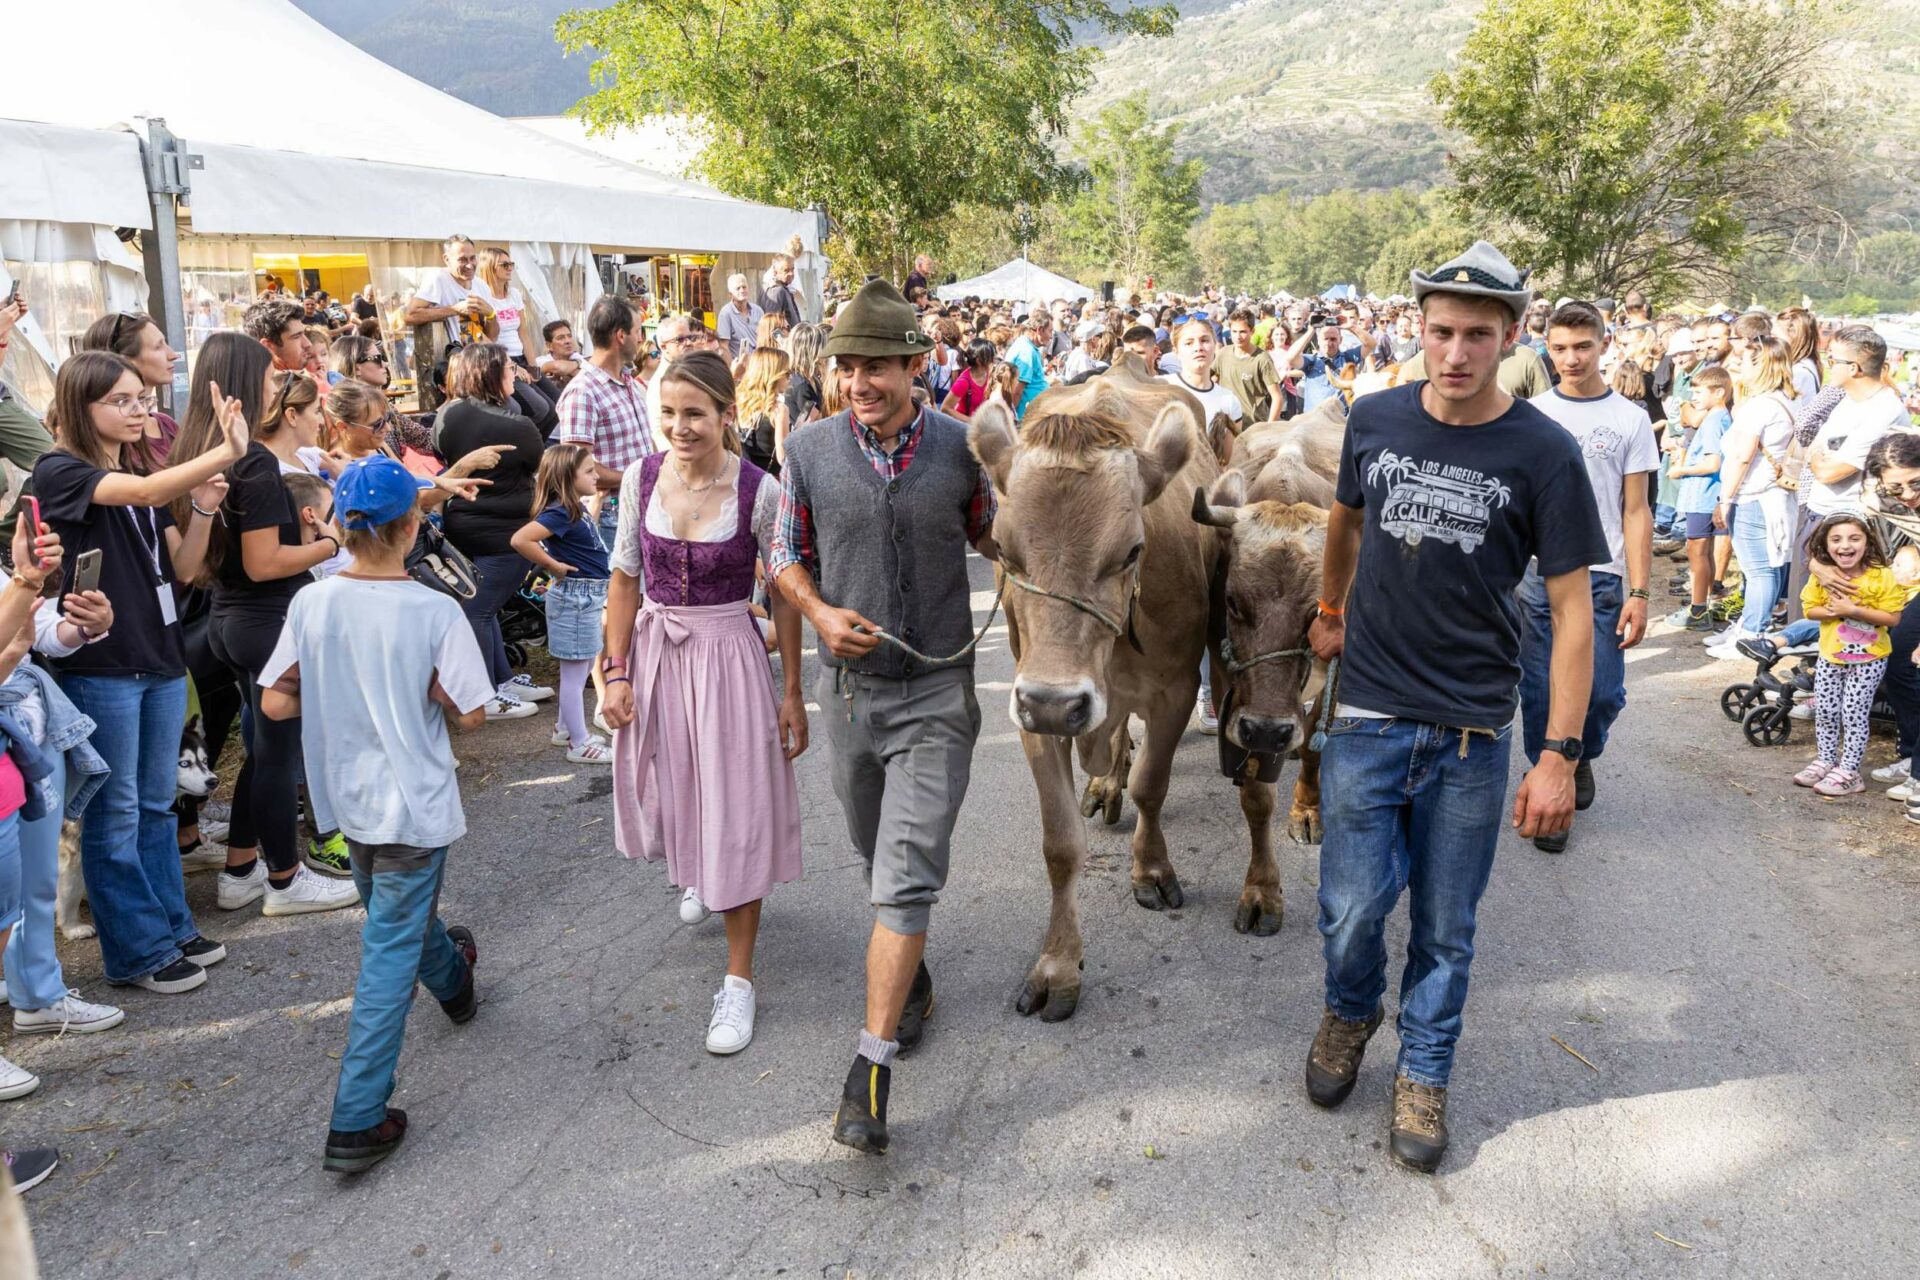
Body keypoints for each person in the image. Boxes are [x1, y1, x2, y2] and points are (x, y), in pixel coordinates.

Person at [1305, 242, 1605, 1174]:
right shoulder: (1376, 419)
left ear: (1513, 336)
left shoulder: (1545, 452)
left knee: (1446, 926)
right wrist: (1328, 606)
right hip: (1367, 719)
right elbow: (1347, 518)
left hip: (1473, 734)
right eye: (1441, 331)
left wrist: (1557, 753)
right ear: (1419, 331)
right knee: (1351, 908)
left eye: (1479, 334)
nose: (1457, 352)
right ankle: (1351, 1012)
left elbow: (1568, 610)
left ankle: (1425, 1071)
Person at [769, 279, 997, 1153]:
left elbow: (992, 534)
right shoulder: (810, 451)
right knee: (876, 858)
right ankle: (913, 976)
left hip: (938, 692)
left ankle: (869, 1068)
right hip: (853, 700)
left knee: (902, 877)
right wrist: (821, 615)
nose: (861, 381)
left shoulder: (960, 449)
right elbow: (785, 555)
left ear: (916, 365)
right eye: (849, 366)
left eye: (878, 366)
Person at [259, 456, 491, 1175]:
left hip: (344, 802)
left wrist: (338, 692)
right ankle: (357, 1118)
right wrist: (419, 689)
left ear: (338, 525)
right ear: (414, 525)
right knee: (389, 946)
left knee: (398, 921)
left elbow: (274, 700)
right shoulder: (433, 609)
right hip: (411, 803)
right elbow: (474, 712)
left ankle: (453, 981)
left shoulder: (312, 603)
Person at [605, 351, 805, 1055]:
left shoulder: (762, 491)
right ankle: (698, 868)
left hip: (729, 656)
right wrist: (615, 669)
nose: (679, 427)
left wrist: (792, 693)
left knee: (738, 805)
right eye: (668, 413)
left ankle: (739, 981)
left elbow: (782, 593)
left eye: (694, 413)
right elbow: (625, 579)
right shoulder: (641, 477)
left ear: (727, 414)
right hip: (659, 652)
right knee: (680, 786)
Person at [33, 350, 248, 994]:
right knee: (115, 811)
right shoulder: (60, 470)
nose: (139, 410)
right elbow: (155, 489)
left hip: (157, 656)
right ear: (81, 405)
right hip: (102, 664)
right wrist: (225, 451)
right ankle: (136, 951)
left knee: (157, 804)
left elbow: (181, 570)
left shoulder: (129, 472)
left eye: (141, 399)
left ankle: (170, 927)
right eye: (121, 401)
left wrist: (206, 504)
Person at [172, 351, 361, 913]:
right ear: (246, 384)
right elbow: (264, 561)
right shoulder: (251, 462)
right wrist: (331, 543)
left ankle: (241, 869)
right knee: (278, 756)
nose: (278, 384)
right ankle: (285, 879)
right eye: (273, 376)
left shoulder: (199, 452)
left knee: (262, 751)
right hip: (267, 619)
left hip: (229, 621)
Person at [1516, 302, 1656, 853]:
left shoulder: (1629, 418)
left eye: (1582, 347)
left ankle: (1578, 754)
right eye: (1559, 348)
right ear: (1545, 349)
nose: (1571, 358)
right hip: (1534, 575)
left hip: (1601, 576)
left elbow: (1636, 509)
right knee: (1535, 688)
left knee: (1600, 694)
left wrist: (1639, 592)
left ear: (1604, 345)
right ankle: (1551, 787)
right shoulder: (1530, 414)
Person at [435, 344, 551, 718]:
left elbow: (439, 450)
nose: (514, 375)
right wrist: (524, 388)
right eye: (509, 370)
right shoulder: (516, 425)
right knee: (479, 611)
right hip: (506, 533)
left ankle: (502, 679)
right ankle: (485, 692)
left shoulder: (448, 413)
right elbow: (544, 414)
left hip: (462, 524)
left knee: (486, 608)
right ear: (492, 374)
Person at [1789, 511, 1907, 798]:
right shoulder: (1825, 577)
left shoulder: (1881, 576)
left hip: (1869, 660)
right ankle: (1826, 760)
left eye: (1854, 538)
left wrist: (1853, 611)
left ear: (1868, 542)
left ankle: (1850, 770)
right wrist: (1831, 611)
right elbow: (1810, 609)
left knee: (1853, 713)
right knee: (1827, 710)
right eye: (1837, 539)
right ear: (1825, 545)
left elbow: (1892, 618)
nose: (1845, 546)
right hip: (1831, 656)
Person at [511, 444, 613, 764]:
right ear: (567, 477)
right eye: (589, 471)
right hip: (575, 597)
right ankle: (579, 743)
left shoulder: (573, 508)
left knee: (580, 666)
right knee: (573, 674)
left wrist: (595, 503)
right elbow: (521, 539)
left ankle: (565, 728)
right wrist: (552, 565)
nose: (596, 475)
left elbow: (584, 540)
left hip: (587, 595)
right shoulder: (559, 511)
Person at [1708, 335, 1801, 658]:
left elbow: (1741, 456)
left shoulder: (1760, 406)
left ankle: (1751, 632)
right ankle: (1749, 624)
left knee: (1758, 569)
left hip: (1753, 494)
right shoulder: (1787, 399)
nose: (1737, 367)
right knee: (1768, 567)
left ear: (1759, 365)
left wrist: (1725, 498)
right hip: (1774, 495)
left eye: (1743, 361)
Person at [1847, 434, 1920, 818]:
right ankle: (1910, 753)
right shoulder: (1877, 500)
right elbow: (1840, 530)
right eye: (1896, 486)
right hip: (1910, 584)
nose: (1907, 494)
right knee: (1896, 662)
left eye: (1916, 483)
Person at [557, 297, 655, 556]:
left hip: (639, 505)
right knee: (620, 594)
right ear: (621, 336)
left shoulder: (627, 381)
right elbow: (577, 470)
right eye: (637, 332)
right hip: (613, 513)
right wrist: (639, 476)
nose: (640, 339)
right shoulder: (583, 391)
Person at [1663, 365, 1733, 631]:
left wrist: (1682, 469)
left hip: (1703, 496)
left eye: (1699, 392)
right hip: (1705, 496)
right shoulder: (1717, 417)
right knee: (1703, 553)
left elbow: (1713, 462)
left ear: (1719, 392)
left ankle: (1697, 610)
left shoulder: (1715, 420)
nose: (1694, 398)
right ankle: (1702, 603)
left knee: (1697, 552)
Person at [403, 235, 497, 412]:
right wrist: (455, 309)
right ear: (447, 259)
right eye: (462, 259)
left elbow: (491, 336)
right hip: (459, 366)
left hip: (483, 360)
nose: (469, 265)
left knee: (533, 407)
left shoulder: (481, 285)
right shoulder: (439, 279)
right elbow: (410, 315)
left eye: (472, 258)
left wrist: (490, 314)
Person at [78, 310, 181, 464]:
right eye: (158, 347)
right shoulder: (109, 438)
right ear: (123, 360)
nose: (173, 354)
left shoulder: (167, 425)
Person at [1214, 309, 1279, 422]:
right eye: (1234, 331)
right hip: (1227, 425)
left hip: (1254, 427)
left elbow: (1277, 397)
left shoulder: (1262, 359)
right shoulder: (1223, 353)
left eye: (1243, 332)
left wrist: (1269, 427)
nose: (1238, 336)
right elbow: (1211, 378)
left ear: (1252, 331)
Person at [474, 248, 534, 371]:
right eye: (505, 265)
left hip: (521, 358)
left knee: (552, 390)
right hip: (499, 363)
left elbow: (524, 334)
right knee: (530, 391)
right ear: (489, 267)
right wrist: (510, 365)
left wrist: (534, 367)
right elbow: (480, 337)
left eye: (511, 264)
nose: (510, 268)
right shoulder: (480, 298)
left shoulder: (514, 294)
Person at [735, 347, 792, 475]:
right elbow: (783, 458)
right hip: (768, 482)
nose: (790, 379)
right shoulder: (779, 410)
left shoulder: (738, 401)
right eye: (787, 373)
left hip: (741, 478)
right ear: (774, 376)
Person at [243, 298, 315, 378]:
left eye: (304, 334)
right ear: (267, 346)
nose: (308, 343)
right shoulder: (260, 388)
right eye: (296, 337)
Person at [1004, 312, 1051, 419]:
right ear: (1040, 330)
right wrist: (1011, 418)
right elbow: (1017, 390)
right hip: (1026, 417)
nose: (1051, 336)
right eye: (1050, 331)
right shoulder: (1027, 352)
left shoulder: (1025, 346)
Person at [940, 338, 997, 421]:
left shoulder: (991, 374)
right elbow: (945, 408)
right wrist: (971, 421)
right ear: (979, 361)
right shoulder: (964, 382)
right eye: (991, 357)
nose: (994, 360)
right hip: (964, 429)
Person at [716, 274, 764, 362]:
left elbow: (765, 337)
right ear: (730, 294)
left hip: (758, 363)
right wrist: (732, 370)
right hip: (739, 365)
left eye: (744, 287)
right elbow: (724, 346)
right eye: (738, 288)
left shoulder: (758, 311)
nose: (742, 290)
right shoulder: (726, 313)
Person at [759, 253, 803, 329]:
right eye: (786, 270)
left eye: (792, 269)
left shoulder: (783, 288)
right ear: (775, 273)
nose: (791, 274)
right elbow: (772, 326)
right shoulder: (776, 291)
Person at [539, 320, 582, 387]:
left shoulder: (576, 356)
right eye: (560, 338)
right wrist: (579, 363)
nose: (568, 341)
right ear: (549, 346)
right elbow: (559, 367)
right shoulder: (541, 361)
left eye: (569, 336)